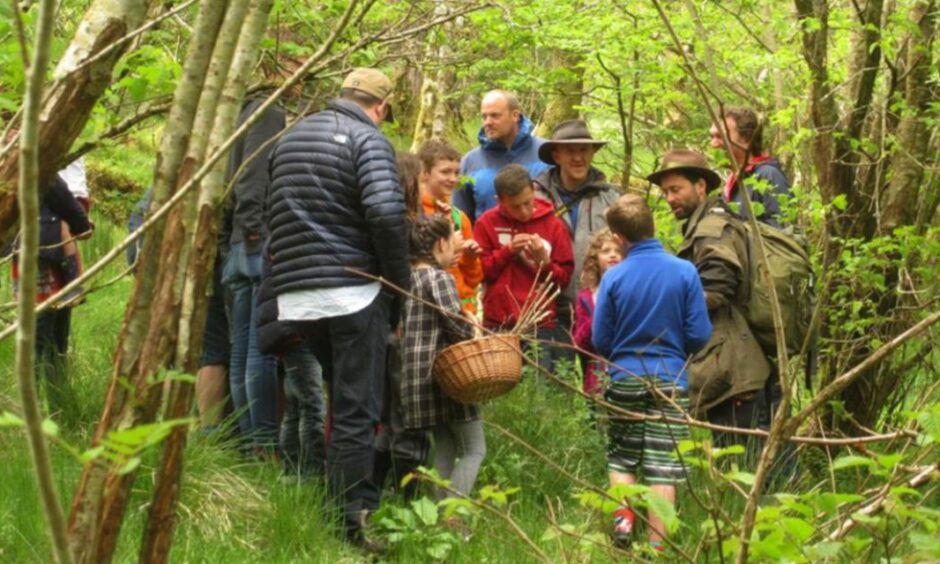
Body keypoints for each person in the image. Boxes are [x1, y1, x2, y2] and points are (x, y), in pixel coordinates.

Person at [267, 67, 409, 550]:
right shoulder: (368, 140)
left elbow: (274, 214)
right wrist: (397, 284)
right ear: (381, 106)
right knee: (356, 408)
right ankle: (353, 523)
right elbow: (387, 214)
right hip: (352, 291)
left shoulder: (288, 139)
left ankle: (336, 508)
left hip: (295, 296)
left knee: (337, 399)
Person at [591, 195, 711, 551]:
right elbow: (700, 333)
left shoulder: (614, 278)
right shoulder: (684, 271)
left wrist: (623, 355)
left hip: (625, 376)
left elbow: (600, 338)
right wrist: (676, 351)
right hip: (671, 378)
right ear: (652, 226)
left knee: (621, 455)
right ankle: (657, 549)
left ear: (619, 237)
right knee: (663, 464)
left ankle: (624, 524)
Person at [648, 149, 771, 449]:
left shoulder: (713, 230)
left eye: (676, 189)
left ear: (701, 186)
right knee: (740, 464)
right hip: (729, 364)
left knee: (743, 467)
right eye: (665, 192)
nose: (669, 198)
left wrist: (663, 304)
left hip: (734, 371)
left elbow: (716, 289)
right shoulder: (710, 224)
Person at [400, 215, 483, 506]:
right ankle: (454, 520)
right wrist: (472, 322)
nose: (456, 251)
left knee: (445, 446)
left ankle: (436, 517)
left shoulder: (407, 279)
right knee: (475, 448)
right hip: (446, 379)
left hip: (416, 381)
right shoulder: (439, 278)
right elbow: (458, 329)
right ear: (440, 243)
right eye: (453, 243)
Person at [220, 96, 286, 452]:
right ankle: (260, 443)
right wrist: (255, 232)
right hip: (254, 243)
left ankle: (251, 442)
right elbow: (252, 176)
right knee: (260, 347)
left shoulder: (243, 112)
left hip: (238, 241)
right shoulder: (267, 112)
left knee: (243, 348)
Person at [473, 164, 574, 372]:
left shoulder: (553, 224)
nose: (524, 211)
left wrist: (544, 264)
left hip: (540, 324)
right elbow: (479, 272)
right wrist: (507, 251)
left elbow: (563, 280)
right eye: (515, 206)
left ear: (533, 190)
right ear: (500, 201)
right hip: (498, 323)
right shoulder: (486, 224)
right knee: (500, 393)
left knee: (537, 393)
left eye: (528, 203)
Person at [533, 119, 620, 358]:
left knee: (599, 385)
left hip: (600, 307)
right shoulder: (534, 198)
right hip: (549, 310)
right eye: (571, 151)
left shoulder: (612, 199)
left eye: (584, 150)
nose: (578, 157)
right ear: (556, 155)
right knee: (556, 388)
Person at [12, 175, 93, 420]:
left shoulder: (9, 160)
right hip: (48, 252)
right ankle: (47, 410)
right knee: (51, 339)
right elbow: (63, 198)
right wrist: (82, 225)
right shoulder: (38, 157)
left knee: (40, 337)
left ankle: (52, 408)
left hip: (24, 250)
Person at [454, 90, 550, 222]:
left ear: (515, 115)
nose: (487, 122)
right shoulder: (469, 162)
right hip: (487, 240)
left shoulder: (546, 153)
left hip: (542, 239)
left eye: (495, 116)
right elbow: (460, 218)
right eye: (484, 117)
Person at [418, 139, 483, 314]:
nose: (453, 179)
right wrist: (446, 251)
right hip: (427, 311)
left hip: (462, 312)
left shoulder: (459, 218)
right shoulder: (413, 215)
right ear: (424, 173)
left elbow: (473, 280)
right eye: (445, 172)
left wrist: (470, 257)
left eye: (457, 172)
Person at [709, 107, 791, 228]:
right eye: (712, 137)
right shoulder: (733, 181)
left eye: (720, 136)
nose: (713, 144)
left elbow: (783, 232)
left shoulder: (768, 175)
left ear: (746, 138)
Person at [572, 229, 623, 398]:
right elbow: (580, 342)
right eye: (606, 251)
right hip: (597, 374)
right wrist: (600, 311)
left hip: (627, 368)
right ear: (596, 258)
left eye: (618, 251)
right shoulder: (587, 296)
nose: (613, 255)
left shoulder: (633, 289)